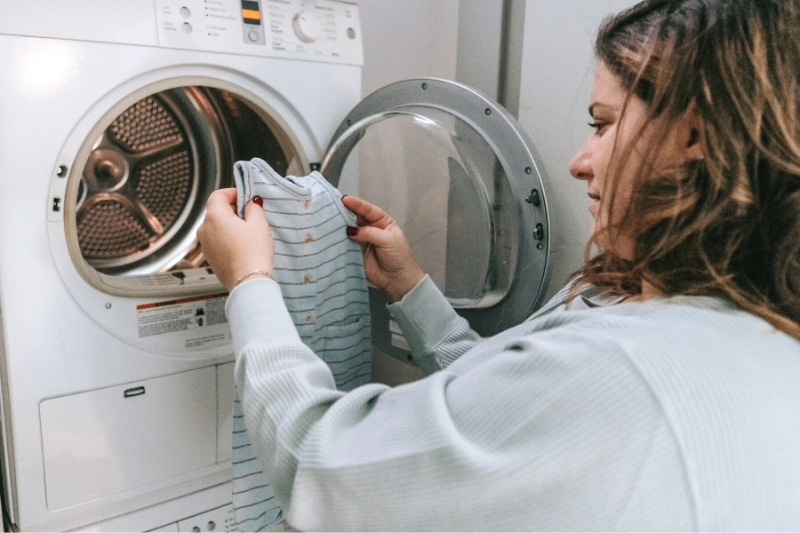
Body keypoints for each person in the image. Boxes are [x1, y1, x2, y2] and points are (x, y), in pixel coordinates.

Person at [197, 0, 800, 529]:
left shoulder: (624, 366)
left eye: (603, 124)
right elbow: (505, 406)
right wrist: (410, 288)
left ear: (693, 131)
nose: (578, 161)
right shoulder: (727, 323)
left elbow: (319, 464)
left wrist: (252, 281)